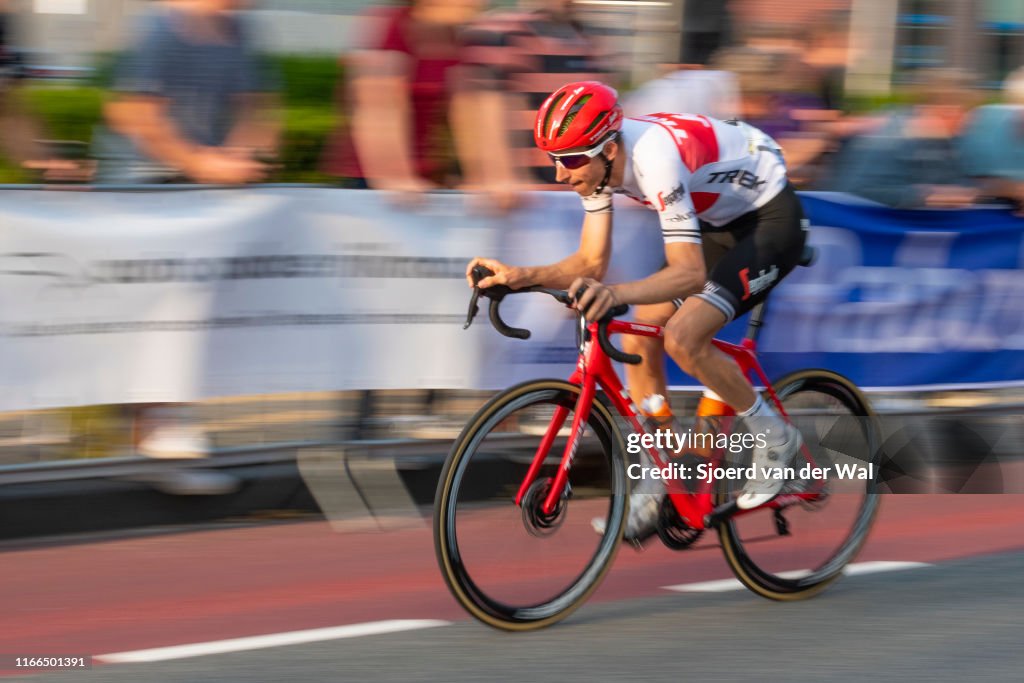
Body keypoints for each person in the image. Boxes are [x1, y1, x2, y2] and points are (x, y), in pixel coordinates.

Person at [466, 81, 807, 541]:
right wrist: (520, 276)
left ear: (608, 148)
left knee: (684, 336)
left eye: (568, 161)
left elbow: (687, 273)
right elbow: (589, 263)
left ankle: (776, 440)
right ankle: (660, 472)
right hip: (721, 220)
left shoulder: (654, 159)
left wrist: (617, 293)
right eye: (553, 160)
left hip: (770, 220)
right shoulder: (600, 167)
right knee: (637, 333)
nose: (560, 175)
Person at [94, 0, 279, 184]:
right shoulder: (158, 27)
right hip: (143, 183)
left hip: (201, 182)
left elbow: (253, 107)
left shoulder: (238, 30)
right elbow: (131, 114)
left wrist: (237, 154)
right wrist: (199, 164)